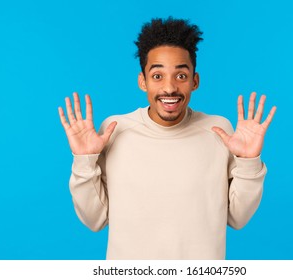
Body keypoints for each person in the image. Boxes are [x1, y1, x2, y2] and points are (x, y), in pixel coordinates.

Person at [58, 17, 276, 260]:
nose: (170, 88)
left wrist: (249, 160)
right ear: (143, 81)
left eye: (181, 76)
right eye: (158, 75)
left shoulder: (218, 131)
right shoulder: (115, 130)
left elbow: (238, 217)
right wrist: (83, 160)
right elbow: (95, 220)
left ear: (195, 81)